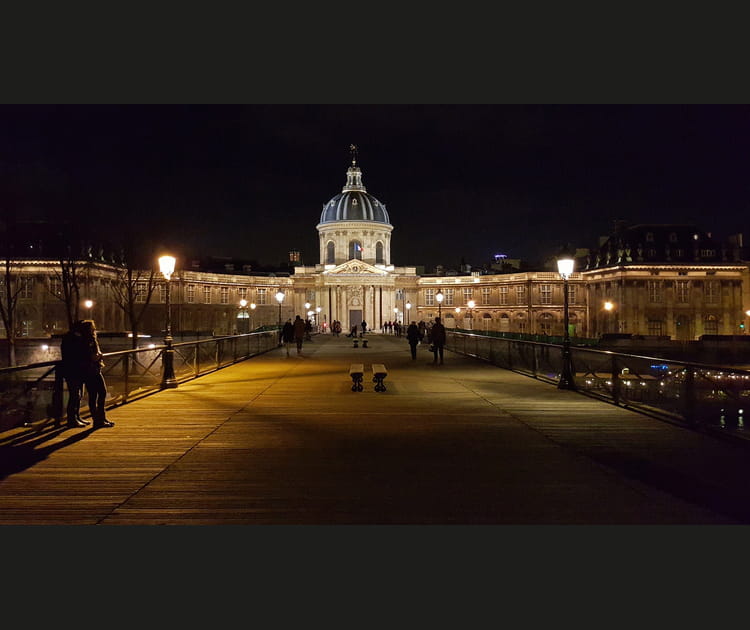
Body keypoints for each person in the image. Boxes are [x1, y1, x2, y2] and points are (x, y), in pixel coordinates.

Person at [80, 319, 114, 428]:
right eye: (92, 327)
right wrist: (99, 356)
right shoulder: (88, 340)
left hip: (91, 369)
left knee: (95, 395)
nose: (94, 328)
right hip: (92, 370)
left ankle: (99, 418)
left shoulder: (87, 339)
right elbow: (92, 356)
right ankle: (99, 419)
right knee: (100, 393)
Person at [60, 320, 90, 427]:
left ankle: (76, 416)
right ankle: (72, 419)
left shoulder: (71, 337)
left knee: (78, 394)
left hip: (75, 369)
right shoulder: (73, 338)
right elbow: (78, 353)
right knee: (75, 395)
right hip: (73, 370)